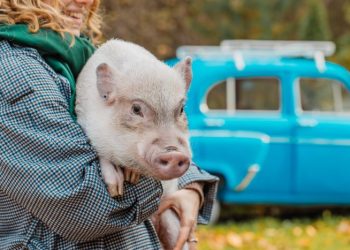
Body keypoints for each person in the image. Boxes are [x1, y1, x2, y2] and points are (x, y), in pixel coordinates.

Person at [0, 0, 218, 249]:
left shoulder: (82, 54)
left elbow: (162, 126)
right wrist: (166, 179)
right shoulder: (13, 72)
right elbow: (81, 204)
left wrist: (189, 185)